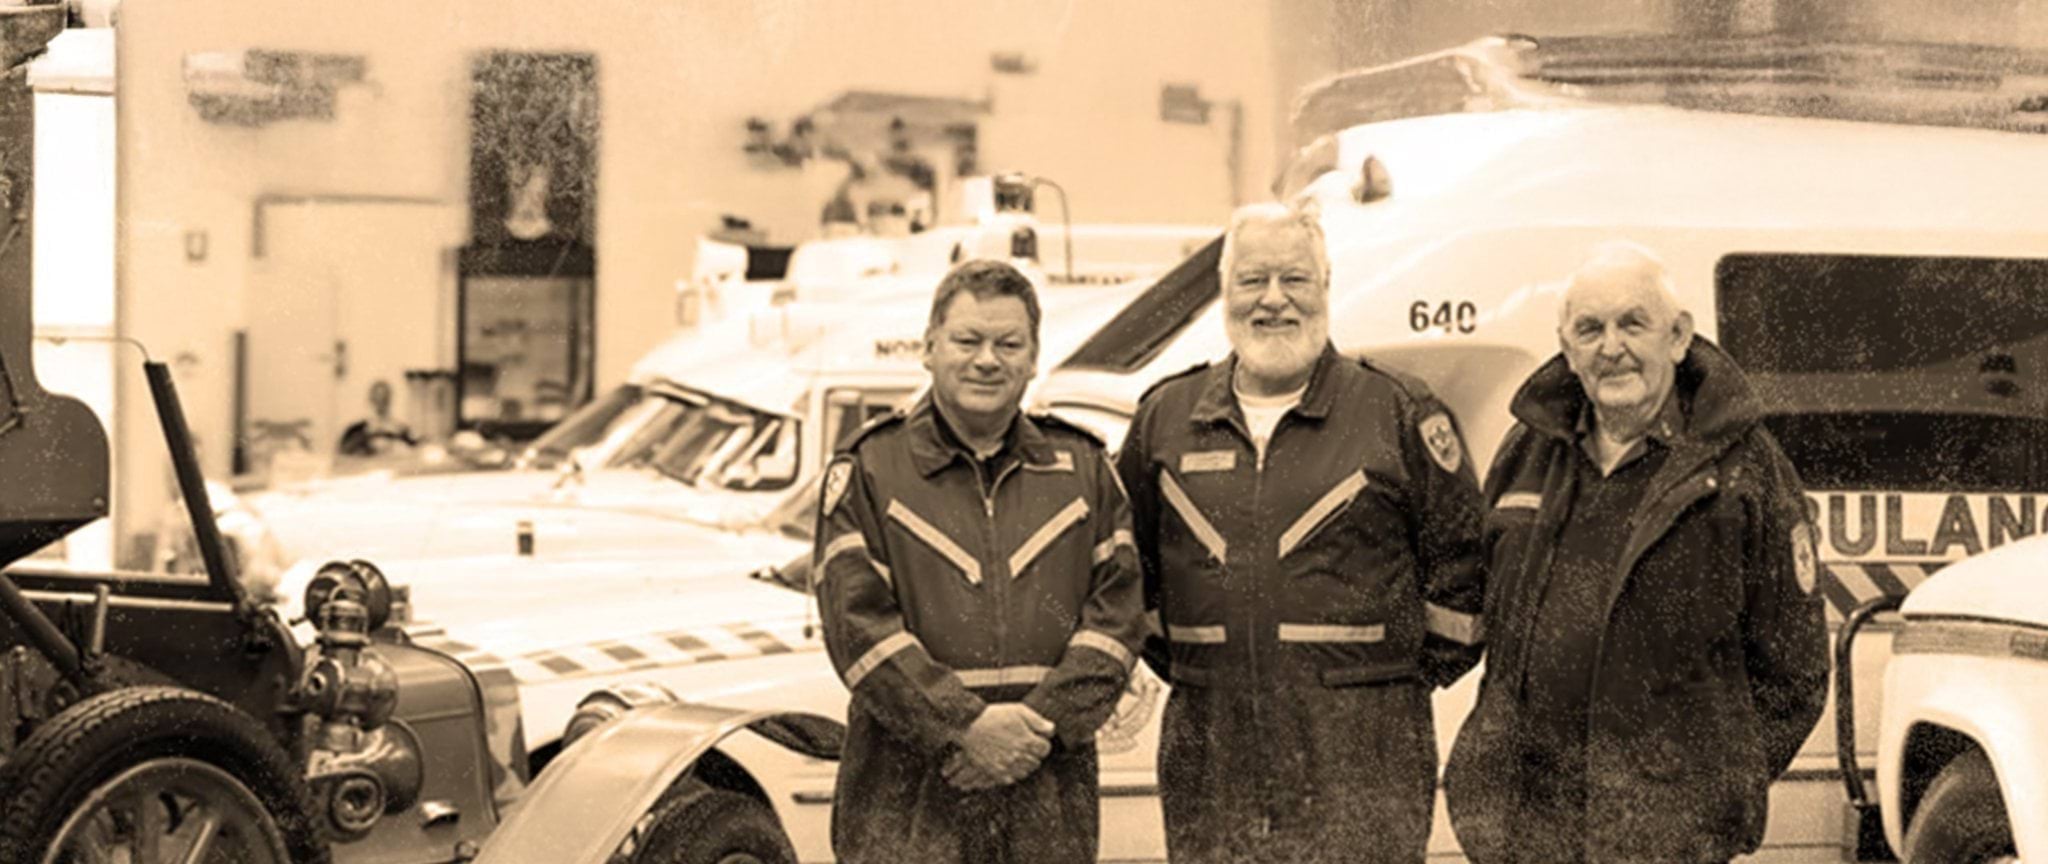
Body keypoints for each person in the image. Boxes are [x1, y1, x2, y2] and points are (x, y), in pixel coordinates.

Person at [1116, 203, 1488, 863]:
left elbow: (1465, 577)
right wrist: (1211, 668)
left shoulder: (1397, 412)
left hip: (1365, 759)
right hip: (1211, 753)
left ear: (1326, 286)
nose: (1273, 300)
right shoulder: (1165, 420)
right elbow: (1130, 573)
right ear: (1223, 292)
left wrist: (1375, 687)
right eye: (1252, 280)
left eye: (1295, 279)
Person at [1443, 242, 1829, 863]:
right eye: (1589, 329)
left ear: (1678, 337)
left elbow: (1796, 671)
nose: (1611, 347)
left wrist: (1708, 793)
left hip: (1665, 842)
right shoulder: (1527, 450)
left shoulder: (1745, 470)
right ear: (1567, 349)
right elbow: (1472, 603)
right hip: (1526, 831)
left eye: (1633, 323)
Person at [813, 259, 1143, 863]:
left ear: (1034, 356)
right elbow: (857, 628)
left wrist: (1031, 735)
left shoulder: (1085, 470)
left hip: (1047, 796)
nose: (987, 359)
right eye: (967, 340)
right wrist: (962, 728)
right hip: (907, 798)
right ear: (930, 347)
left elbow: (1119, 621)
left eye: (1008, 343)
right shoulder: (869, 469)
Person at [337, 379, 416, 456]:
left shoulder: (400, 430)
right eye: (378, 398)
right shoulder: (356, 430)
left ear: (389, 400)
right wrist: (367, 435)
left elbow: (414, 451)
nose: (381, 403)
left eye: (384, 399)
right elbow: (343, 452)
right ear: (371, 399)